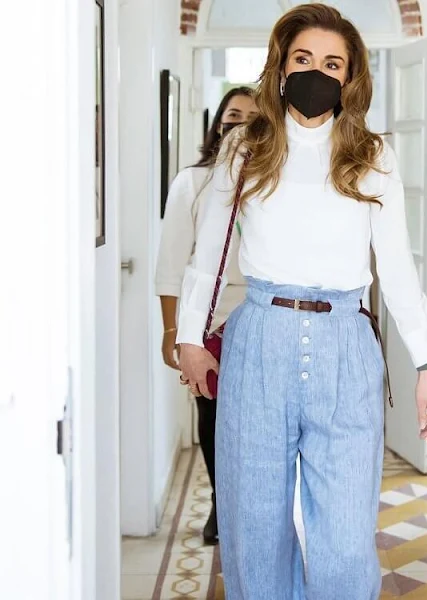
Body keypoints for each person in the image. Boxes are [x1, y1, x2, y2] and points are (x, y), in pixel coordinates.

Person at [177, 4, 427, 599]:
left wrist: (426, 367)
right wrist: (189, 338)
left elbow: (397, 269)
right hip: (259, 345)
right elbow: (208, 254)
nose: (316, 73)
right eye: (303, 59)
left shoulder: (374, 157)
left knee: (345, 540)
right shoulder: (244, 149)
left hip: (346, 347)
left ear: (350, 79)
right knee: (254, 531)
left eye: (332, 63)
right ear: (280, 66)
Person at [155, 86, 257, 545]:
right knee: (214, 416)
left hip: (259, 317)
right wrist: (173, 331)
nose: (241, 125)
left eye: (253, 117)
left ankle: (251, 506)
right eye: (233, 115)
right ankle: (221, 501)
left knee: (257, 422)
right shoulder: (191, 182)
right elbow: (171, 264)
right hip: (210, 321)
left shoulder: (271, 181)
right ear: (218, 124)